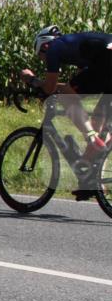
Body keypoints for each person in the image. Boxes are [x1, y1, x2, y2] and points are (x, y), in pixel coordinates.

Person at [20, 25, 112, 200]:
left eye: (41, 56)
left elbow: (50, 87)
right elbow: (79, 86)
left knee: (66, 99)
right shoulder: (79, 48)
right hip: (107, 62)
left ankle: (92, 138)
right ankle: (93, 182)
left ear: (44, 45)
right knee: (99, 124)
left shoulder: (54, 48)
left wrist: (31, 79)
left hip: (107, 60)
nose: (44, 60)